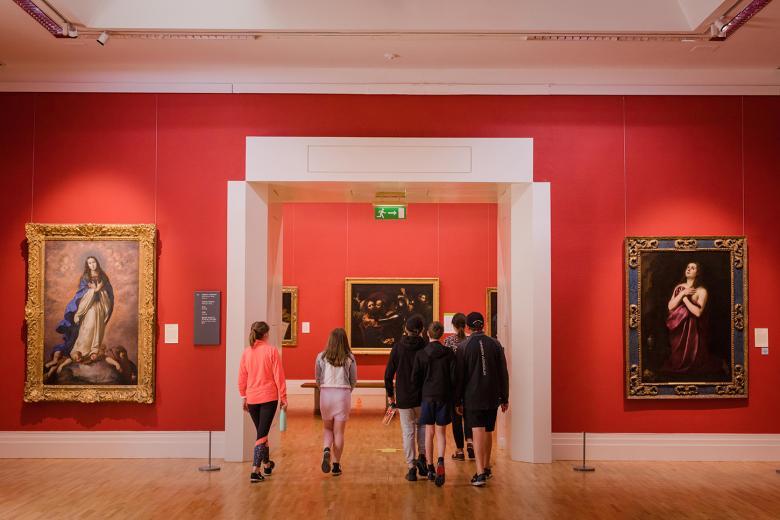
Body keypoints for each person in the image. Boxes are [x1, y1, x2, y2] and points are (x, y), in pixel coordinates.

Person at [456, 312, 508, 487]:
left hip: (473, 396)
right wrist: (504, 397)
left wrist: (457, 400)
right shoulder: (495, 344)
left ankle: (479, 473)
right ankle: (486, 467)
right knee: (488, 430)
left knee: (478, 431)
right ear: (483, 325)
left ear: (468, 327)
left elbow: (460, 377)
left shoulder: (464, 346)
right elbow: (503, 373)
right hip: (492, 394)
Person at [239, 321, 288, 483]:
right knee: (261, 434)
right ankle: (255, 470)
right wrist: (284, 398)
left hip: (252, 398)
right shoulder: (271, 351)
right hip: (268, 398)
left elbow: (242, 377)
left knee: (262, 433)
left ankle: (267, 464)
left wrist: (243, 397)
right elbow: (279, 376)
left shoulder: (247, 352)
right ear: (266, 334)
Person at [384, 314, 428, 481]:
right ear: (421, 330)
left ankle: (411, 468)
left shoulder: (398, 347)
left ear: (405, 329)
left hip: (403, 396)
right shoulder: (425, 346)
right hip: (422, 395)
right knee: (422, 428)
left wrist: (390, 395)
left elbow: (388, 374)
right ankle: (423, 457)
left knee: (408, 432)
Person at [413, 321, 456, 487]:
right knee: (441, 433)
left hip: (427, 396)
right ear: (442, 334)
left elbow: (415, 379)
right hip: (444, 396)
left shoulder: (422, 354)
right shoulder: (449, 353)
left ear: (428, 334)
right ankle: (440, 461)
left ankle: (430, 467)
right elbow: (454, 378)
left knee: (429, 431)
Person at [51, 256, 115, 367]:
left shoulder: (103, 276)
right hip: (89, 307)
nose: (92, 265)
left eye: (94, 262)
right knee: (87, 328)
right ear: (87, 265)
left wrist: (99, 290)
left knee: (98, 329)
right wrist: (93, 290)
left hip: (100, 306)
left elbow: (108, 293)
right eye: (89, 263)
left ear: (97, 262)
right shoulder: (85, 277)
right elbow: (82, 292)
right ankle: (80, 351)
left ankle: (93, 351)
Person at [315, 328, 357, 477]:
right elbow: (353, 381)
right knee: (339, 432)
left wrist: (324, 390)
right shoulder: (349, 357)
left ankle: (326, 449)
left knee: (327, 429)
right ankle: (336, 465)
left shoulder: (321, 357)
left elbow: (318, 379)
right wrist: (347, 392)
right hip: (342, 395)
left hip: (326, 395)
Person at [663, 262, 710, 373]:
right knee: (677, 358)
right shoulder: (679, 288)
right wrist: (682, 293)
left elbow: (698, 313)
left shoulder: (701, 291)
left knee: (694, 360)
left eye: (692, 268)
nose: (689, 269)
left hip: (694, 331)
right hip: (678, 327)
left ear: (697, 272)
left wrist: (684, 299)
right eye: (688, 267)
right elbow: (670, 307)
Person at [442, 312, 472, 461]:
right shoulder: (470, 341)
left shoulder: (448, 341)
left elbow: (445, 365)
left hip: (453, 385)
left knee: (456, 418)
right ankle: (471, 443)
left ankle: (459, 451)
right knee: (468, 416)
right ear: (465, 325)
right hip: (470, 384)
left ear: (453, 325)